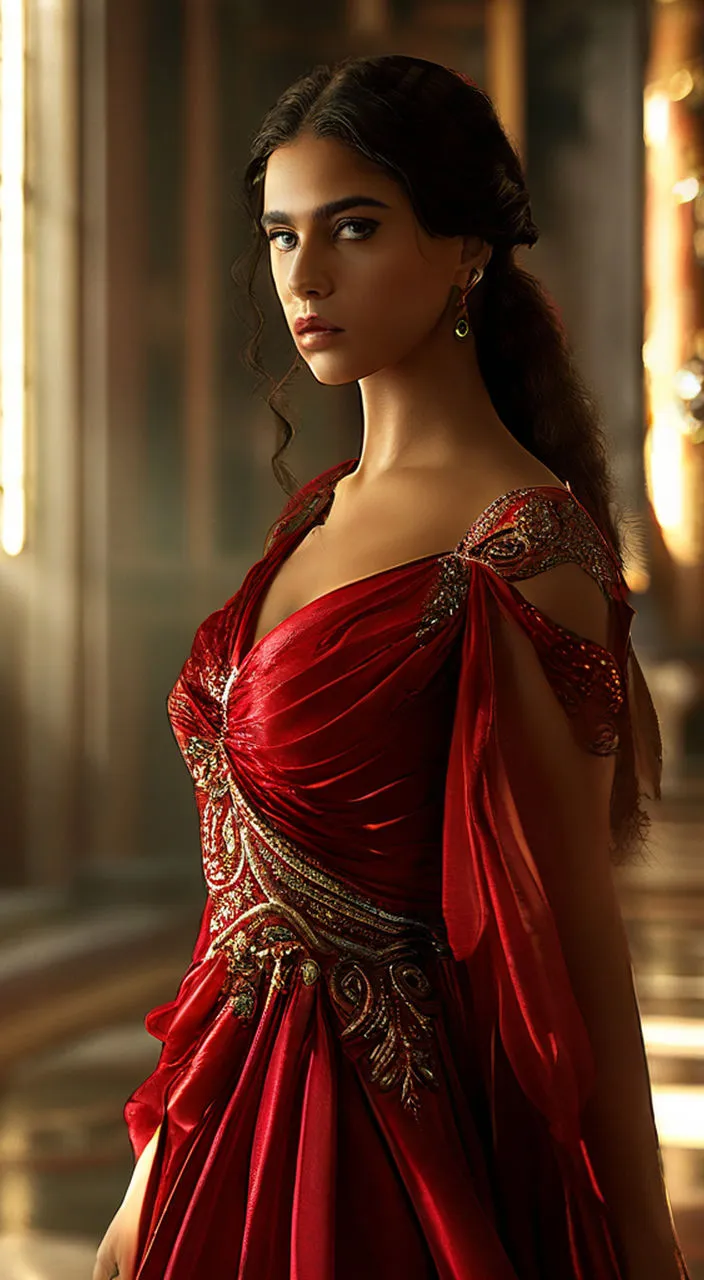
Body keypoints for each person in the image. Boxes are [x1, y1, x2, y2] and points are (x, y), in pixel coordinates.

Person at [93, 53, 690, 1280]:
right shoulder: (312, 516)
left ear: (464, 246)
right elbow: (241, 912)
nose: (303, 277)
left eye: (352, 229)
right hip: (220, 1126)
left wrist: (640, 1240)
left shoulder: (521, 547)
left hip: (385, 1147)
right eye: (279, 237)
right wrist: (151, 1165)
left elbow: (576, 929)